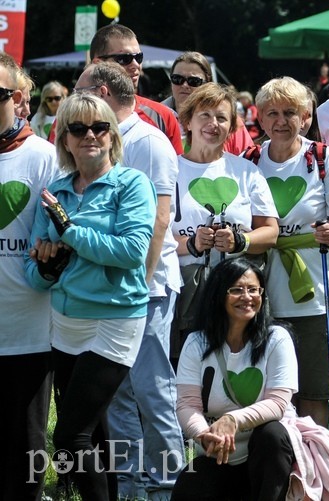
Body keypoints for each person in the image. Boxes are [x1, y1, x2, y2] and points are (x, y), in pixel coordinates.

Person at [25, 93, 156, 500]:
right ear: (64, 139)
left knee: (69, 434)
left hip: (115, 320)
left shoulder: (132, 184)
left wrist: (69, 233)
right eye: (78, 129)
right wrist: (49, 266)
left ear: (113, 136)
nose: (90, 136)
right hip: (65, 323)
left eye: (99, 127)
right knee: (92, 432)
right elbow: (34, 273)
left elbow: (131, 252)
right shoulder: (55, 192)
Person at [74, 61, 186, 498]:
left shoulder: (150, 142)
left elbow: (161, 220)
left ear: (101, 91)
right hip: (110, 291)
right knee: (116, 391)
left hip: (147, 289)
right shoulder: (104, 140)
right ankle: (129, 484)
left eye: (81, 91)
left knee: (152, 389)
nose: (73, 100)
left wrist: (135, 286)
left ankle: (167, 485)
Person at [254, 76, 329, 428]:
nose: (281, 122)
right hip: (262, 289)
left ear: (305, 117)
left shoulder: (322, 157)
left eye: (289, 113)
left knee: (316, 387)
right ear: (260, 117)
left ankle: (317, 462)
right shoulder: (249, 159)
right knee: (272, 388)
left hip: (317, 289)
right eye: (272, 113)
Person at [172, 258, 296, 500]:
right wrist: (203, 434)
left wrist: (233, 419)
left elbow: (279, 403)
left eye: (254, 290)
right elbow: (187, 404)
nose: (247, 297)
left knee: (271, 434)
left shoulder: (277, 338)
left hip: (269, 456)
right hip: (219, 455)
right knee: (189, 488)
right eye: (237, 290)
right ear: (218, 295)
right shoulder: (197, 342)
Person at [172, 83, 279, 352]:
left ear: (232, 127)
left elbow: (270, 232)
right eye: (205, 115)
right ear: (188, 121)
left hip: (239, 287)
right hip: (186, 290)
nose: (213, 124)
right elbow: (154, 236)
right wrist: (192, 243)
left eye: (222, 118)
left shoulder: (246, 171)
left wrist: (239, 241)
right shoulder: (169, 169)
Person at [0, 52, 59, 501]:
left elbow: (61, 238)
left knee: (25, 449)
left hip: (29, 332)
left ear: (18, 99)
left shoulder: (45, 157)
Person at [88, 24, 184, 154]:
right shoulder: (71, 118)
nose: (135, 65)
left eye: (139, 58)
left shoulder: (163, 116)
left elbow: (175, 171)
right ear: (98, 63)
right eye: (124, 59)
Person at [161, 51, 254, 155]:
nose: (185, 85)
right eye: (177, 79)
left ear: (208, 84)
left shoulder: (228, 121)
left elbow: (246, 159)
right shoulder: (154, 117)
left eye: (194, 81)